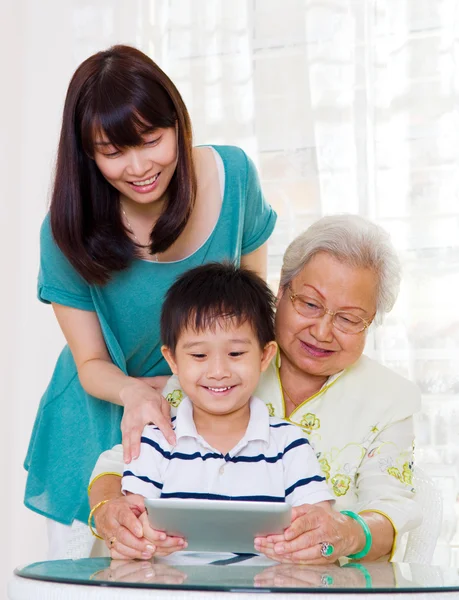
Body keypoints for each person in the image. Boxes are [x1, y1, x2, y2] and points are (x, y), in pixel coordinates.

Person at [23, 44, 277, 558]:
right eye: (113, 152)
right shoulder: (65, 231)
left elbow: (255, 318)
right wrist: (140, 395)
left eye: (151, 140)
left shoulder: (233, 178)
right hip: (102, 414)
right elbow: (90, 361)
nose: (139, 167)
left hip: (203, 413)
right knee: (95, 581)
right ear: (87, 155)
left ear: (178, 124)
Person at [89, 214, 422, 563]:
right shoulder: (220, 362)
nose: (323, 331)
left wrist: (350, 533)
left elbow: (392, 507)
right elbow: (123, 464)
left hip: (309, 580)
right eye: (309, 304)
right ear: (282, 290)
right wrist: (113, 513)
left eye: (349, 319)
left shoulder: (391, 399)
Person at [116, 263, 334, 558]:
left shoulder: (288, 444)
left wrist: (308, 544)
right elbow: (128, 533)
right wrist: (142, 536)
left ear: (264, 356)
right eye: (199, 355)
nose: (218, 371)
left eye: (235, 354)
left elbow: (320, 529)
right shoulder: (155, 442)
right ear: (173, 360)